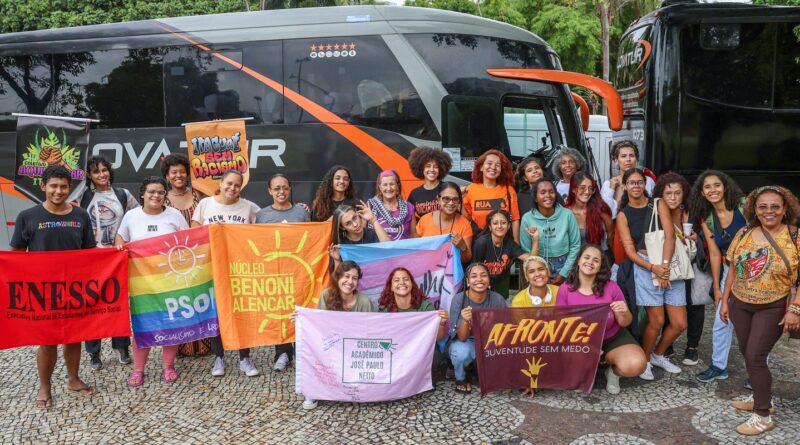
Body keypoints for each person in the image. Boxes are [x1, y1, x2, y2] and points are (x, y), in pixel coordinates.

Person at [10, 165, 97, 408]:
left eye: (63, 187)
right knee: (47, 340)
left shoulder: (80, 216)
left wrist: (116, 256)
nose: (59, 191)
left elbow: (90, 252)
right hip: (43, 292)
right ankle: (45, 387)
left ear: (70, 188)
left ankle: (73, 379)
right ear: (43, 186)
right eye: (54, 186)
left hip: (76, 289)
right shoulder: (27, 217)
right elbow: (16, 255)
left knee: (74, 337)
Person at [719, 185, 800, 436]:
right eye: (762, 206)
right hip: (740, 304)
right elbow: (733, 269)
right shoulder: (744, 232)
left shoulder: (796, 236)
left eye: (775, 206)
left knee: (755, 356)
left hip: (773, 306)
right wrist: (724, 300)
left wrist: (795, 309)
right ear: (754, 209)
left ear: (785, 208)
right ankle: (760, 396)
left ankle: (763, 415)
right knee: (748, 352)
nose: (769, 211)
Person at [116, 176, 189, 388]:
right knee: (143, 326)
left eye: (160, 192)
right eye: (152, 192)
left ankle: (168, 367)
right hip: (142, 284)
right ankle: (138, 370)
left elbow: (187, 242)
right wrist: (121, 248)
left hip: (170, 282)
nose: (156, 196)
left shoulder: (174, 215)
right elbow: (120, 239)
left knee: (172, 325)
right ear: (142, 194)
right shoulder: (131, 216)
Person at [616, 168, 685, 380]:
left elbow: (670, 236)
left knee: (680, 323)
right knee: (656, 321)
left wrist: (663, 267)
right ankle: (645, 360)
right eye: (632, 183)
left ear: (645, 184)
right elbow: (629, 249)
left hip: (669, 261)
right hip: (645, 265)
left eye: (639, 182)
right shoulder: (623, 214)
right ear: (625, 186)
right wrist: (653, 269)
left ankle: (658, 354)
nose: (636, 186)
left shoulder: (658, 204)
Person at [192, 170, 260, 378]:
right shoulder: (205, 205)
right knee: (216, 312)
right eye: (229, 183)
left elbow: (263, 230)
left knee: (241, 311)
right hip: (211, 268)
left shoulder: (249, 207)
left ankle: (244, 357)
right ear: (220, 183)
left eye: (237, 185)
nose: (232, 188)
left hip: (239, 269)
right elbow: (194, 231)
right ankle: (219, 357)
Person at [556, 244, 647, 395]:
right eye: (586, 257)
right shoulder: (565, 288)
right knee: (577, 385)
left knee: (636, 365)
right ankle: (585, 367)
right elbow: (560, 326)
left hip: (611, 336)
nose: (590, 262)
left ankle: (612, 373)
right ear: (578, 261)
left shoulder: (612, 287)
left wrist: (624, 312)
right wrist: (587, 348)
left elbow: (625, 322)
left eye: (596, 260)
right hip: (579, 339)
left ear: (600, 267)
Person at [77, 155, 139, 370]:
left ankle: (122, 346)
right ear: (89, 175)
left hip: (117, 258)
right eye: (96, 171)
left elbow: (138, 218)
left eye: (104, 170)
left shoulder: (123, 195)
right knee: (92, 306)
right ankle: (93, 352)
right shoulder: (82, 197)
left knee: (117, 305)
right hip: (91, 259)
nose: (101, 174)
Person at [690, 170, 746, 383]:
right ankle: (718, 366)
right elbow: (714, 253)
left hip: (756, 272)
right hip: (729, 271)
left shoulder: (743, 206)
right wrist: (716, 286)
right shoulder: (708, 218)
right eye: (707, 187)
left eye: (716, 185)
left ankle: (757, 373)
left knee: (754, 322)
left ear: (725, 187)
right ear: (702, 193)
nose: (713, 190)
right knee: (721, 320)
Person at [255, 174, 310, 372]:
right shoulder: (261, 216)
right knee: (280, 313)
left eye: (285, 188)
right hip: (275, 273)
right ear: (269, 190)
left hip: (298, 271)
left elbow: (311, 240)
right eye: (277, 188)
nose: (281, 192)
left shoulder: (302, 213)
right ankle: (282, 354)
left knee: (300, 312)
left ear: (290, 189)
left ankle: (303, 352)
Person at [303, 261, 373, 410]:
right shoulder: (326, 295)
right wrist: (301, 318)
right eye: (346, 276)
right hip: (331, 348)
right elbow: (317, 325)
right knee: (307, 347)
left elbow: (368, 332)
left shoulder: (364, 301)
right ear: (338, 277)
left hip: (354, 351)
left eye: (354, 278)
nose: (350, 281)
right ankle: (312, 390)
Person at [161, 153, 210, 357]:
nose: (179, 175)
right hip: (172, 260)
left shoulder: (199, 195)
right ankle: (181, 346)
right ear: (167, 176)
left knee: (200, 298)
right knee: (179, 302)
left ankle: (205, 344)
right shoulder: (160, 199)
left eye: (182, 171)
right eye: (174, 172)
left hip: (199, 258)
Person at [448, 263, 508, 394]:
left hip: (490, 341)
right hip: (467, 341)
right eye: (474, 276)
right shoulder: (459, 299)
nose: (479, 279)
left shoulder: (498, 299)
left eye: (483, 275)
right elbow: (462, 337)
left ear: (489, 280)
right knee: (461, 352)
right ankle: (461, 378)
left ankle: (476, 371)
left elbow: (505, 332)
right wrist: (465, 320)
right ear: (468, 282)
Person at [520, 178, 581, 285]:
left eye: (551, 191)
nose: (548, 195)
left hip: (564, 263)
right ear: (535, 198)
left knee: (563, 299)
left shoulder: (567, 215)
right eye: (543, 192)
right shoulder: (527, 218)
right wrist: (539, 271)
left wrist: (564, 273)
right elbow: (526, 249)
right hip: (538, 264)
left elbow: (575, 246)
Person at [462, 149, 520, 243]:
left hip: (504, 243)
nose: (493, 167)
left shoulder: (509, 190)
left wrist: (516, 243)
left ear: (501, 170)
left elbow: (515, 219)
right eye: (489, 163)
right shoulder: (470, 189)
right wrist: (460, 198)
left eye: (498, 165)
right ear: (481, 167)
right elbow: (468, 218)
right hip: (480, 243)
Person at [472, 210, 531, 299]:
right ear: (490, 227)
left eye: (503, 223)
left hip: (501, 291)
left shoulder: (510, 243)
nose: (499, 226)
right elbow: (474, 268)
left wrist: (535, 239)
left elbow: (531, 259)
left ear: (508, 226)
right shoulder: (481, 243)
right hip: (482, 290)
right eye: (495, 223)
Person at [416, 181, 473, 262]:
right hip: (427, 271)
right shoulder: (425, 220)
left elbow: (466, 259)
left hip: (452, 273)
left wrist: (463, 247)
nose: (451, 203)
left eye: (455, 199)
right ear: (438, 199)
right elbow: (415, 250)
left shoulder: (464, 224)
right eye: (446, 199)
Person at [601, 141, 655, 217]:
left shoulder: (648, 181)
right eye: (623, 156)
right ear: (616, 161)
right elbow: (606, 214)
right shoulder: (608, 185)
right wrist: (611, 190)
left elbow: (655, 207)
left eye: (631, 155)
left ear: (636, 160)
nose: (628, 159)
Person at [328, 203, 391, 269]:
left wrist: (373, 220)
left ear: (358, 214)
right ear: (342, 227)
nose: (355, 224)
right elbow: (336, 277)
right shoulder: (340, 244)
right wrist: (337, 260)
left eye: (355, 218)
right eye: (348, 223)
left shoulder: (372, 233)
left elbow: (391, 249)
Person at [565, 171, 614, 254]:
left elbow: (611, 235)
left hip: (600, 257)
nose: (587, 192)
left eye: (591, 188)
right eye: (582, 187)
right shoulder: (565, 212)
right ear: (573, 189)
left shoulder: (600, 209)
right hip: (574, 259)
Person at [367, 170, 416, 240]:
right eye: (385, 185)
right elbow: (363, 235)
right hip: (379, 250)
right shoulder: (370, 206)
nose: (389, 188)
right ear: (380, 187)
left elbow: (414, 236)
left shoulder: (408, 207)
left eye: (392, 184)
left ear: (397, 186)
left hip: (403, 250)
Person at [407, 146, 452, 220]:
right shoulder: (414, 194)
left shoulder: (448, 189)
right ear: (421, 168)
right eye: (428, 166)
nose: (432, 170)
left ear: (441, 169)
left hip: (446, 231)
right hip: (424, 231)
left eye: (436, 167)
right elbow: (409, 217)